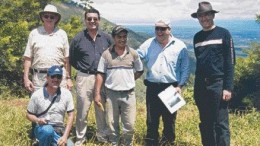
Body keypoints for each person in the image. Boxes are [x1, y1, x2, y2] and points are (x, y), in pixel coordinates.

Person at [137, 19, 190, 146]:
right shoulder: (149, 43)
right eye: (157, 28)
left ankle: (168, 143)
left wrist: (180, 86)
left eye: (163, 28)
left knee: (170, 120)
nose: (159, 32)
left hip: (172, 87)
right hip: (152, 87)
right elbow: (136, 56)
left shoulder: (180, 45)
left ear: (169, 30)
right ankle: (151, 143)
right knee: (151, 121)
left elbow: (185, 68)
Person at [191, 1, 236, 146]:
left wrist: (227, 87)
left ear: (212, 15)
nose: (204, 18)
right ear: (198, 18)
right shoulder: (197, 37)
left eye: (206, 15)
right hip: (201, 86)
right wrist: (196, 89)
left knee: (220, 123)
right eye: (201, 16)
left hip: (218, 84)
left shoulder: (224, 33)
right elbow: (200, 63)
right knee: (205, 122)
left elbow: (230, 62)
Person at [69, 8, 112, 145]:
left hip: (103, 78)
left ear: (99, 20)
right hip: (85, 77)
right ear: (85, 20)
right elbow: (72, 59)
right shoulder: (78, 38)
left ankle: (102, 136)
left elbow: (113, 56)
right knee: (83, 109)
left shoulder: (106, 38)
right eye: (89, 19)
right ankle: (80, 138)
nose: (92, 21)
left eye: (95, 18)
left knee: (101, 108)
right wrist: (80, 71)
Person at [95, 25, 143, 146]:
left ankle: (128, 143)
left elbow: (140, 70)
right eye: (119, 37)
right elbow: (100, 74)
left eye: (124, 37)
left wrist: (129, 80)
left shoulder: (133, 53)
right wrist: (97, 94)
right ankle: (114, 143)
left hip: (129, 94)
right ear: (113, 38)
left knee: (130, 124)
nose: (122, 39)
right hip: (111, 94)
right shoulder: (106, 54)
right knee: (111, 123)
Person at [23, 4, 73, 92]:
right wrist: (26, 78)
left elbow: (67, 59)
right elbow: (28, 58)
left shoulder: (62, 34)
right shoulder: (34, 33)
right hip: (39, 78)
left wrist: (68, 78)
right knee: (39, 104)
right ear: (42, 17)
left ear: (56, 18)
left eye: (52, 17)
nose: (49, 19)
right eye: (46, 16)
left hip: (59, 76)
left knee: (59, 104)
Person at [26, 65, 74, 146]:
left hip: (59, 129)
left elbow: (71, 116)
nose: (56, 79)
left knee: (69, 145)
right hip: (43, 128)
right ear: (47, 78)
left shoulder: (67, 94)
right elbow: (28, 114)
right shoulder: (37, 95)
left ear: (61, 78)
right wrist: (38, 120)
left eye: (58, 77)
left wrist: (65, 136)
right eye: (53, 76)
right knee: (48, 131)